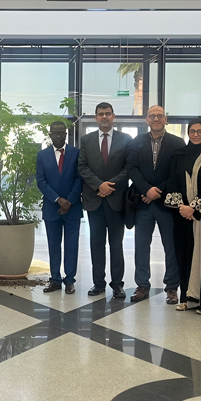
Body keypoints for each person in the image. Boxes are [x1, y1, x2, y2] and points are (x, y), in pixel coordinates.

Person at [127, 105, 186, 304]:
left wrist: (156, 192)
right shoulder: (137, 142)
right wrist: (146, 190)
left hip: (167, 205)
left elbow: (177, 173)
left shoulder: (178, 143)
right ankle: (142, 285)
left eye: (160, 116)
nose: (156, 119)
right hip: (143, 204)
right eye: (152, 116)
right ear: (146, 120)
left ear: (166, 119)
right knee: (141, 246)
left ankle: (171, 287)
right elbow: (132, 169)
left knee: (171, 246)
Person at [167, 120, 201, 312]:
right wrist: (182, 207)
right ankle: (185, 297)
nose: (196, 134)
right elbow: (172, 181)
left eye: (200, 131)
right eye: (192, 131)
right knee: (183, 255)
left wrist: (195, 209)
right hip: (182, 217)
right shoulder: (179, 154)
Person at [78, 102, 131, 298]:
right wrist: (98, 185)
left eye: (108, 114)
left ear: (113, 116)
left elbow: (128, 168)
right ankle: (98, 283)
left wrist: (109, 186)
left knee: (116, 244)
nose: (104, 117)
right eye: (101, 114)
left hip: (116, 201)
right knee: (96, 244)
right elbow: (82, 167)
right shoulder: (86, 140)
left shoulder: (126, 140)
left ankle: (117, 284)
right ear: (95, 117)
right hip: (94, 201)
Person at [36, 121, 82, 294]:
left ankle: (69, 280)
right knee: (53, 245)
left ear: (66, 134)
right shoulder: (42, 155)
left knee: (72, 245)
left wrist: (68, 201)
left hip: (73, 208)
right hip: (52, 208)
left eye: (62, 133)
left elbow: (79, 179)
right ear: (50, 135)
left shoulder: (76, 154)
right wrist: (58, 200)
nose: (59, 136)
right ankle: (55, 279)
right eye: (55, 133)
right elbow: (41, 181)